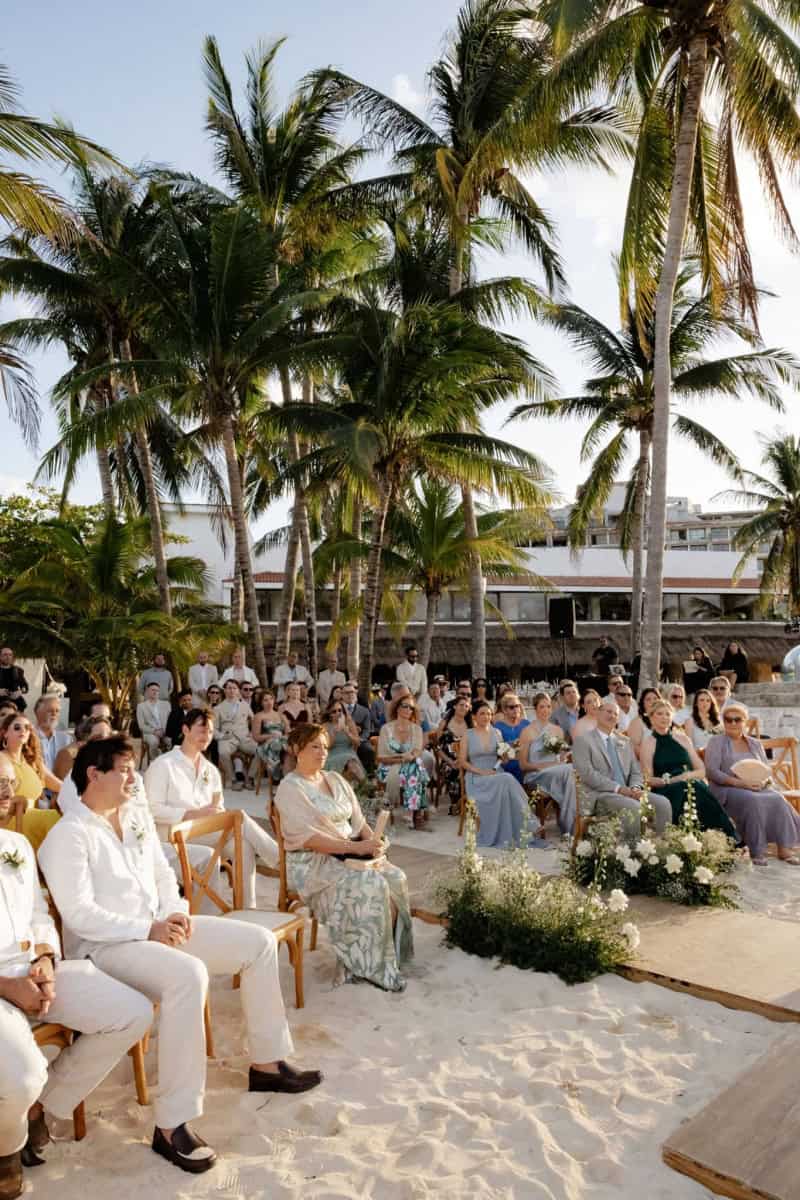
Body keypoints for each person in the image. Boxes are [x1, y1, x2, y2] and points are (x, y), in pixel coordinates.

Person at [39, 735, 322, 1175]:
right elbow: (79, 915)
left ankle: (267, 1063)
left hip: (158, 930)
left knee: (257, 943)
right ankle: (172, 1125)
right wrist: (148, 928)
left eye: (134, 767)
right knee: (188, 976)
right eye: (125, 769)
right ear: (94, 775)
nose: (134, 777)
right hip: (106, 949)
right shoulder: (68, 835)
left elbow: (163, 874)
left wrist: (176, 913)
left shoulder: (133, 816)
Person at [0, 760, 153, 1200]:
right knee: (24, 1075)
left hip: (33, 972)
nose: (8, 792)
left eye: (10, 783)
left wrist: (46, 958)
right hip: (3, 988)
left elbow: (38, 913)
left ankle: (42, 1110)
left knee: (132, 1013)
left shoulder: (16, 845)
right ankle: (6, 1150)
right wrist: (8, 987)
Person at [275, 724, 413, 992]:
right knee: (370, 886)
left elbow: (359, 822)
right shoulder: (290, 789)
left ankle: (390, 956)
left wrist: (375, 841)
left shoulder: (335, 780)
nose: (322, 752)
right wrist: (356, 849)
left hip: (349, 852)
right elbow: (309, 839)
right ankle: (362, 965)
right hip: (311, 861)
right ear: (296, 749)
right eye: (314, 746)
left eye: (325, 747)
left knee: (396, 876)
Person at [145, 708, 279, 907]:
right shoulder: (163, 765)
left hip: (208, 833)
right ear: (185, 729)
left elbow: (219, 807)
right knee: (239, 817)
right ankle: (279, 859)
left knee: (244, 845)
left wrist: (215, 813)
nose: (206, 736)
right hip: (172, 835)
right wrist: (193, 814)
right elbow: (151, 810)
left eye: (209, 731)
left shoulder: (211, 770)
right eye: (201, 729)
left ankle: (246, 908)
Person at [704, 702, 800, 865]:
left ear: (745, 722)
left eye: (737, 719)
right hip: (726, 788)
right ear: (723, 722)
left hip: (756, 787)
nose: (733, 723)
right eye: (728, 720)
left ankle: (784, 848)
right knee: (753, 800)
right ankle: (757, 850)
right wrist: (740, 783)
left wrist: (763, 781)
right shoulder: (716, 742)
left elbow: (765, 769)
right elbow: (712, 772)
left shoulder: (755, 743)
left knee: (777, 798)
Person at [571, 700, 672, 835]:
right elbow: (587, 774)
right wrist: (619, 789)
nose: (612, 715)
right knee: (633, 807)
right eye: (608, 711)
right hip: (600, 795)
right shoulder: (583, 741)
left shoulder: (624, 741)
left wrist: (635, 788)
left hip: (628, 792)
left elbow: (636, 772)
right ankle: (631, 851)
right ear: (598, 713)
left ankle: (661, 847)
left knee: (663, 803)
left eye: (615, 714)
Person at [639, 700, 737, 836]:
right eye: (659, 714)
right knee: (690, 787)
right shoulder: (648, 743)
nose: (664, 717)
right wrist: (671, 781)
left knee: (695, 786)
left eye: (667, 714)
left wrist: (685, 777)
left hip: (691, 781)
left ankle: (720, 838)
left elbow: (701, 770)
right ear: (651, 717)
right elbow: (647, 778)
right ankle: (695, 837)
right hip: (666, 788)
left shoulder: (683, 739)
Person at [460, 701, 531, 849]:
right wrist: (481, 772)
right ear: (474, 716)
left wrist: (508, 755)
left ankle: (524, 825)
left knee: (506, 778)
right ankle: (529, 821)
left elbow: (501, 759)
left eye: (489, 713)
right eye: (482, 713)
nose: (486, 716)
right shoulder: (468, 734)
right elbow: (462, 762)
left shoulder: (497, 733)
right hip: (476, 777)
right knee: (507, 778)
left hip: (495, 773)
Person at [517, 692, 577, 837]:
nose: (546, 710)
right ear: (535, 709)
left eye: (548, 706)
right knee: (570, 772)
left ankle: (570, 824)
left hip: (557, 773)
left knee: (571, 774)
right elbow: (523, 765)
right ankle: (570, 826)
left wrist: (566, 756)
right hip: (535, 775)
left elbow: (560, 757)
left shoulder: (557, 731)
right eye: (542, 706)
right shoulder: (527, 732)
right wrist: (544, 766)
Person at [0, 714, 60, 851]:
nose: (23, 731)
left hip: (33, 817)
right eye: (17, 727)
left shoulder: (33, 762)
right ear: (5, 734)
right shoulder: (2, 759)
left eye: (27, 728)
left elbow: (59, 786)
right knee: (53, 818)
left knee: (62, 818)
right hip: (10, 820)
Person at [377, 696, 430, 829]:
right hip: (389, 766)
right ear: (397, 708)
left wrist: (411, 758)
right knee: (417, 770)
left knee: (415, 766)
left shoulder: (416, 729)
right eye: (405, 706)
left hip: (409, 764)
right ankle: (415, 812)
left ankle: (412, 812)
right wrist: (401, 759)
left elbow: (417, 751)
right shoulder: (386, 729)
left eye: (411, 708)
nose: (408, 710)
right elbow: (381, 757)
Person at [214, 679, 258, 790]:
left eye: (234, 688)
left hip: (244, 738)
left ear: (238, 690)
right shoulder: (218, 708)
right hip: (228, 738)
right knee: (222, 752)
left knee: (261, 751)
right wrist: (221, 736)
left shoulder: (245, 705)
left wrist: (253, 733)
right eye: (229, 688)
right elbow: (214, 729)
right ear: (224, 690)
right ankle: (234, 779)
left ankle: (250, 777)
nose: (232, 690)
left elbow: (254, 720)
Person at [436, 695, 472, 815]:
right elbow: (438, 748)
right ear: (455, 706)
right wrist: (451, 762)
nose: (464, 708)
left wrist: (464, 760)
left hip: (467, 759)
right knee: (453, 770)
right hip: (449, 761)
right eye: (461, 705)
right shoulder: (444, 724)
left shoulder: (471, 725)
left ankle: (470, 801)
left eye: (466, 706)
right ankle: (455, 803)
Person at [54, 714, 113, 782]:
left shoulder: (112, 759)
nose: (106, 743)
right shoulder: (68, 756)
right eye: (98, 738)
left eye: (109, 737)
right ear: (84, 741)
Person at [322, 700, 366, 783]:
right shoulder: (325, 726)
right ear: (330, 714)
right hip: (332, 753)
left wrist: (346, 731)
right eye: (334, 711)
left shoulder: (349, 723)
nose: (337, 713)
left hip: (348, 751)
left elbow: (357, 743)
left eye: (340, 710)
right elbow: (327, 746)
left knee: (351, 763)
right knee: (344, 761)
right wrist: (334, 732)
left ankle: (364, 786)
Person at [252, 690, 290, 783]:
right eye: (265, 700)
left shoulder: (281, 715)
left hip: (282, 740)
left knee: (292, 747)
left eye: (271, 699)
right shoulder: (258, 716)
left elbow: (288, 732)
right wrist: (270, 736)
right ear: (261, 703)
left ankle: (289, 776)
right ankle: (276, 773)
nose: (269, 702)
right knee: (274, 744)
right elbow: (256, 737)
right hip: (266, 743)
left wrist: (285, 736)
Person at [493, 693, 531, 784]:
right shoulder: (498, 727)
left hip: (526, 760)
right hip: (508, 762)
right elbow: (498, 751)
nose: (516, 709)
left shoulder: (526, 724)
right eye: (511, 707)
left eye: (517, 706)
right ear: (504, 710)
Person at [31, 695, 71, 776]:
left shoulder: (66, 739)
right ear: (37, 712)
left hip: (60, 785)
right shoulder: (28, 736)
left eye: (57, 711)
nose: (54, 714)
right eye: (50, 710)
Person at [340, 682, 375, 773]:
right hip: (343, 740)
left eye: (352, 692)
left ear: (355, 693)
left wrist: (360, 739)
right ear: (342, 695)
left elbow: (367, 729)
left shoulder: (364, 711)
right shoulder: (337, 710)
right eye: (346, 693)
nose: (350, 695)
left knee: (368, 750)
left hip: (360, 740)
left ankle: (369, 774)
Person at [136, 681, 171, 761]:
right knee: (154, 742)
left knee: (172, 741)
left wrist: (165, 731)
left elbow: (170, 720)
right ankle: (154, 762)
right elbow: (141, 725)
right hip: (150, 733)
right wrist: (154, 731)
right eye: (153, 690)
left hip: (164, 731)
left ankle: (168, 762)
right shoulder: (141, 706)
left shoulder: (166, 704)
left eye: (157, 690)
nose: (155, 692)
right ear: (147, 691)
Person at [625, 687, 661, 760]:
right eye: (648, 699)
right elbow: (634, 748)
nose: (653, 701)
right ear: (643, 703)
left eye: (655, 698)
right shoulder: (637, 722)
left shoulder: (664, 720)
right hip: (645, 763)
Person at [550, 680, 581, 744]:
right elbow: (552, 739)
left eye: (574, 692)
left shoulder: (586, 710)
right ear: (562, 697)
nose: (572, 694)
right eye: (568, 693)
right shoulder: (556, 715)